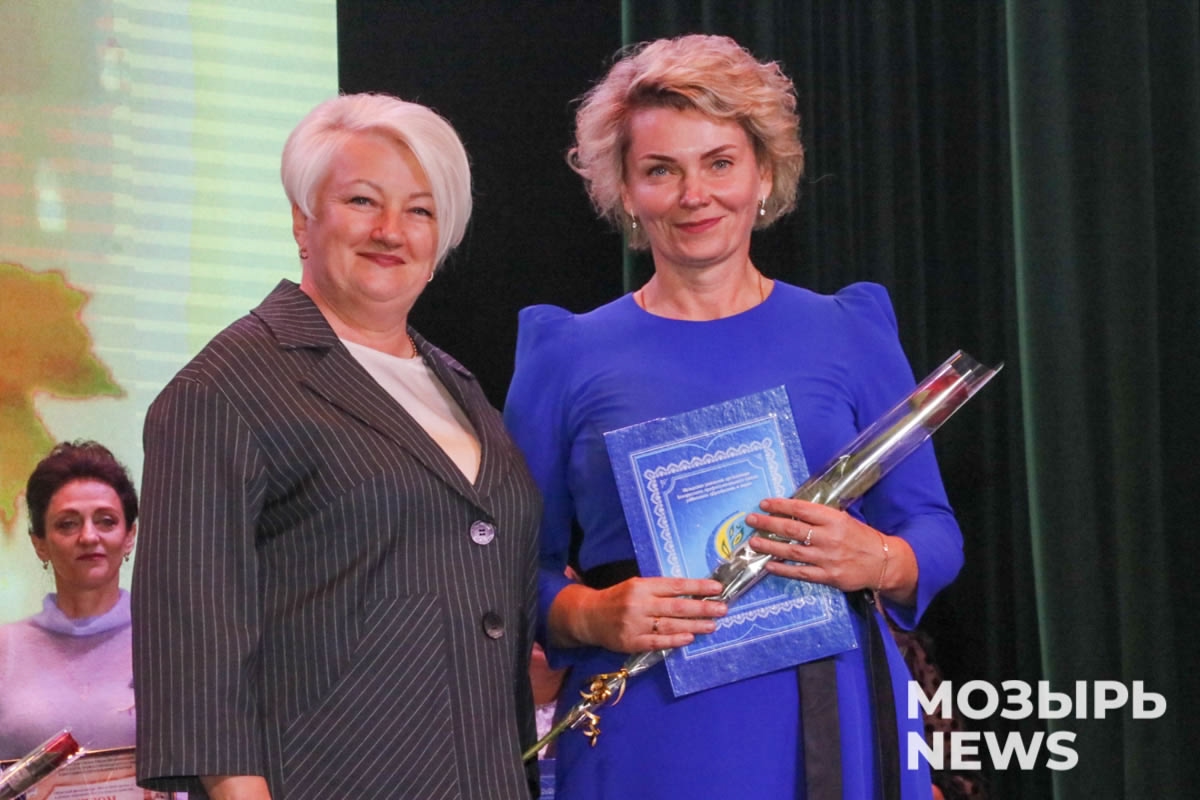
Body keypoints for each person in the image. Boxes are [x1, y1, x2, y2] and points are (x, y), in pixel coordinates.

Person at [504, 35, 963, 799]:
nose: (696, 195)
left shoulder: (849, 330)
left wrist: (879, 559)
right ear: (626, 190)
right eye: (661, 170)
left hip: (835, 712)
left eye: (719, 162)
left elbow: (933, 531)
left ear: (764, 173)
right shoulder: (565, 354)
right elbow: (511, 576)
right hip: (648, 726)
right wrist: (591, 614)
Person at [132, 93, 541, 800]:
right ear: (303, 219)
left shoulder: (460, 387)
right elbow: (194, 645)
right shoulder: (224, 387)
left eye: (420, 210)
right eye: (362, 201)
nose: (391, 231)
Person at [0, 441, 138, 758]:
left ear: (129, 536)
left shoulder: (171, 644)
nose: (89, 536)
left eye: (106, 521)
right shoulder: (5, 650)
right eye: (68, 524)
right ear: (40, 544)